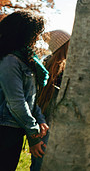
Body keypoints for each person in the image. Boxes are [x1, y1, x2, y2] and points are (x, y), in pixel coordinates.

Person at [0, 11, 49, 171]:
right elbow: (16, 102)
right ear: (24, 33)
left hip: (15, 130)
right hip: (5, 130)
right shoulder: (10, 61)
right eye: (36, 33)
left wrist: (40, 119)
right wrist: (34, 134)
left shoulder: (27, 60)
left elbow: (31, 98)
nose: (37, 38)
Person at [30, 29, 70, 171]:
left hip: (42, 119)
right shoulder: (65, 67)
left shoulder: (46, 63)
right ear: (64, 45)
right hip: (52, 122)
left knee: (39, 161)